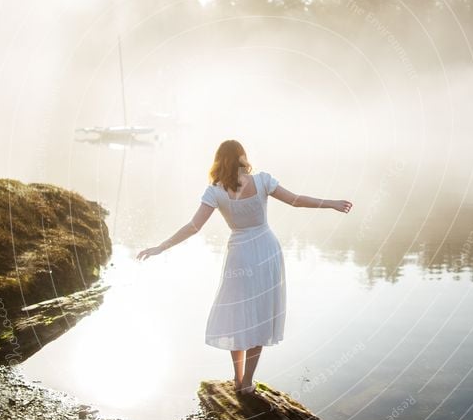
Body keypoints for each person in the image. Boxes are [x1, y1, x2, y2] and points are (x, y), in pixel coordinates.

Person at [136, 139, 352, 395]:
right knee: (259, 314)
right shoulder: (261, 181)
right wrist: (331, 203)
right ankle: (247, 383)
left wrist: (162, 246)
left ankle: (238, 378)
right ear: (243, 157)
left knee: (239, 315)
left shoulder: (215, 191)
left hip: (239, 255)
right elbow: (295, 200)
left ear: (218, 161)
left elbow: (194, 227)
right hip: (266, 250)